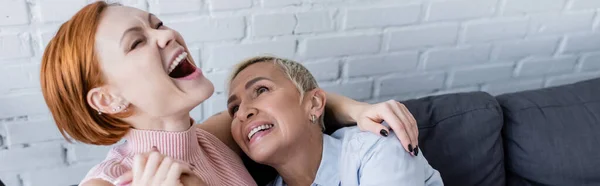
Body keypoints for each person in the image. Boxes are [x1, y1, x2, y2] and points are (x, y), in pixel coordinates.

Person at [40, 2, 421, 186]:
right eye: (137, 42)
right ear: (108, 100)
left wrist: (359, 110)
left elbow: (291, 102)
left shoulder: (211, 138)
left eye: (157, 24)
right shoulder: (109, 182)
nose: (167, 35)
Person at [227, 56, 443, 186]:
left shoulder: (377, 148)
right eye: (234, 108)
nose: (243, 112)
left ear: (314, 103)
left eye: (261, 89)